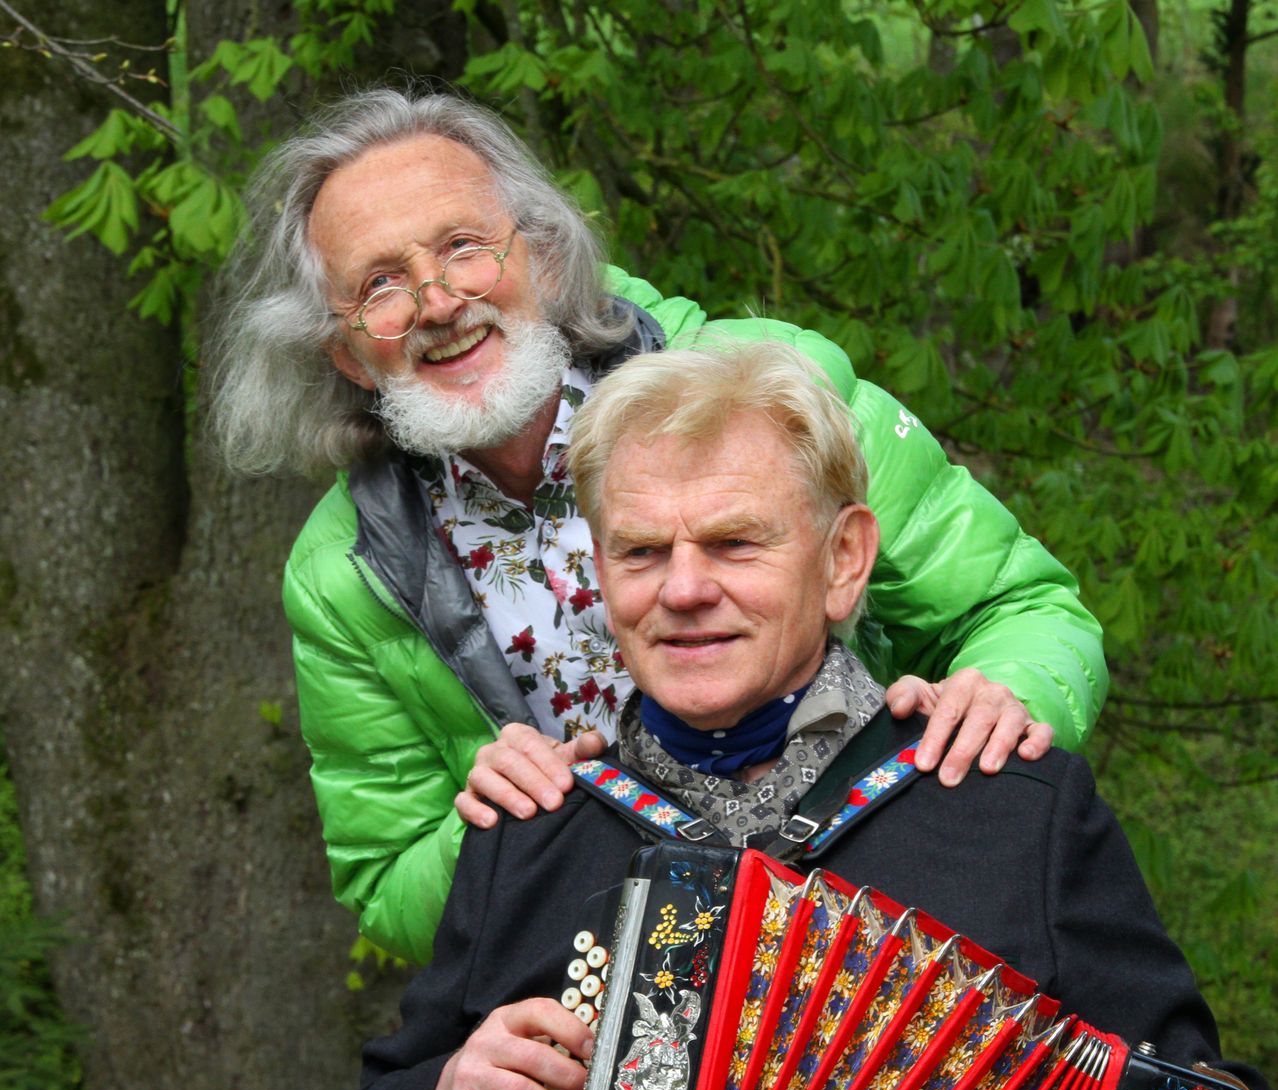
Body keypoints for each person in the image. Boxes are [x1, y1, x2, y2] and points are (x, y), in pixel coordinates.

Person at [328, 342, 1274, 1090]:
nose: (684, 589)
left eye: (735, 543)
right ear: (602, 573)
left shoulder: (1008, 804)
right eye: (642, 551)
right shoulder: (533, 826)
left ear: (843, 560)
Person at [207, 85, 1108, 964]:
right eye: (380, 285)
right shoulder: (341, 575)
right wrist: (483, 829)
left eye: (463, 247)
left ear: (544, 256)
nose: (438, 302)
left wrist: (1006, 700)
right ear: (344, 351)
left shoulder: (776, 390)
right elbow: (387, 889)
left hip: (884, 922)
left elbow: (1028, 609)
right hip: (616, 993)